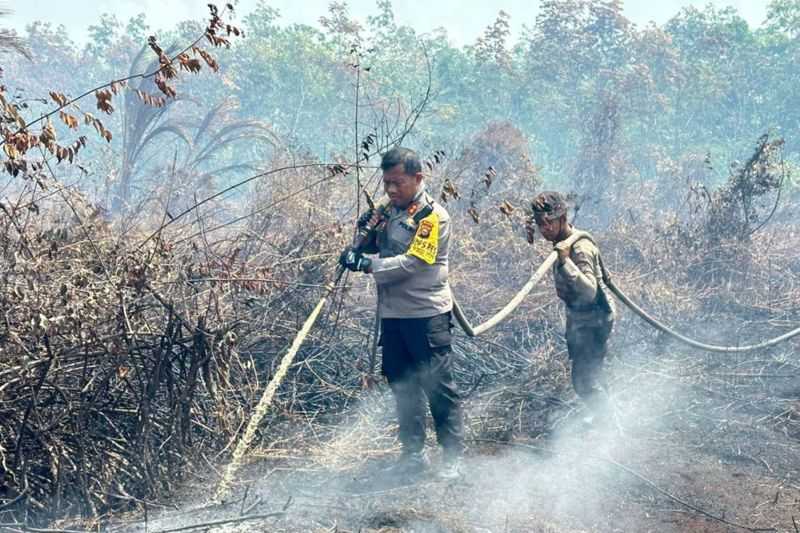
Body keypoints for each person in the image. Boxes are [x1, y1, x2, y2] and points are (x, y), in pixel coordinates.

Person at [339, 146, 463, 480]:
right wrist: (357, 246)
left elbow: (413, 263)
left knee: (437, 385)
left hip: (426, 315)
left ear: (418, 178)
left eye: (398, 183)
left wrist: (368, 265)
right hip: (393, 316)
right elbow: (370, 243)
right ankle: (413, 453)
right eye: (387, 183)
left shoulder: (431, 217)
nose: (391, 190)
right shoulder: (387, 210)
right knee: (402, 385)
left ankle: (452, 457)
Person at [531, 191, 615, 424]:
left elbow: (589, 291)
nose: (544, 229)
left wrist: (565, 261)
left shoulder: (578, 249)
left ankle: (610, 428)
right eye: (540, 224)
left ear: (562, 218)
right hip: (581, 320)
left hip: (594, 321)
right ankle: (605, 420)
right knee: (592, 376)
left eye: (548, 223)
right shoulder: (562, 244)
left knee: (583, 381)